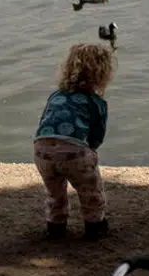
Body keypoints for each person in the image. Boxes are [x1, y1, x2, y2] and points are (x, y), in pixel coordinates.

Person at [33, 43, 114, 240]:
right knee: (90, 192)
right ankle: (95, 227)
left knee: (55, 193)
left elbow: (46, 122)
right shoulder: (96, 102)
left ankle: (56, 227)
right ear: (102, 73)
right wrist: (91, 152)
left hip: (41, 149)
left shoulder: (56, 96)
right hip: (73, 152)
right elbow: (96, 136)